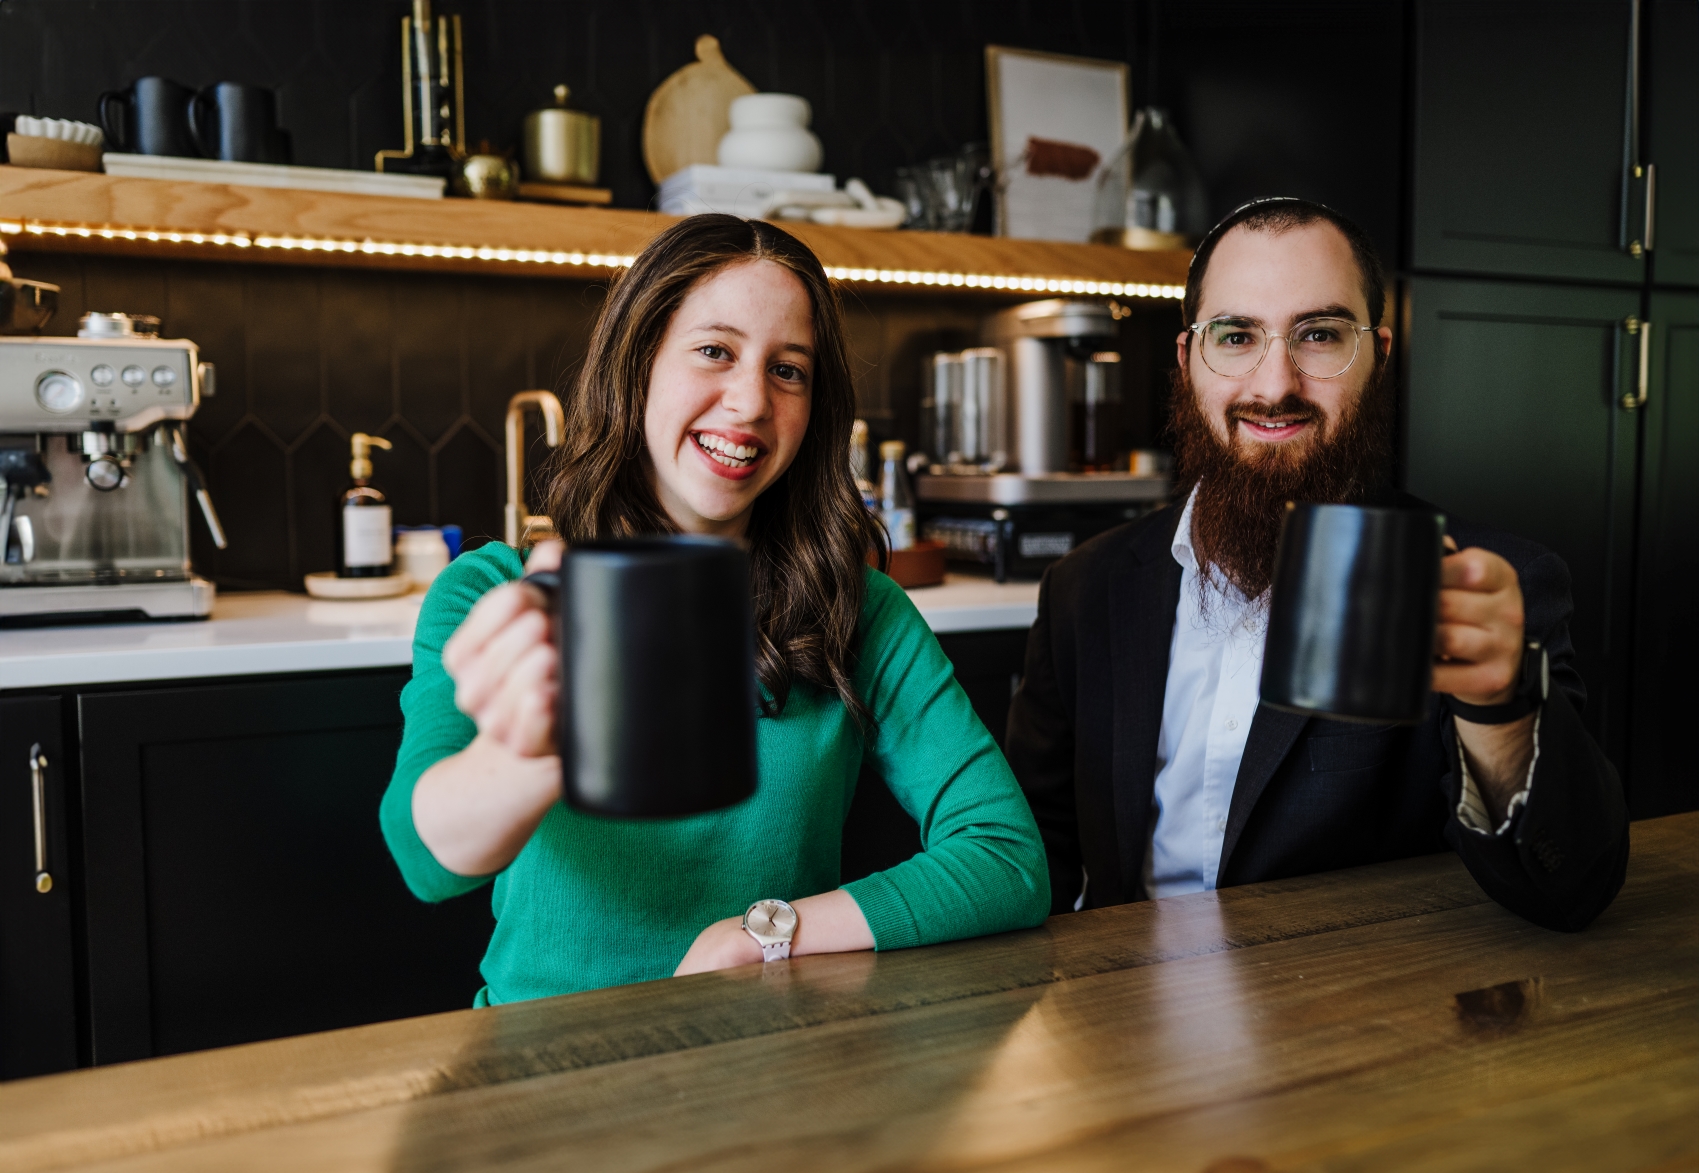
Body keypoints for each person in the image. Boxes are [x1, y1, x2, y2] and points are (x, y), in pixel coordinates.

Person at [380, 214, 1049, 1005]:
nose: (750, 401)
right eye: (714, 351)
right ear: (639, 362)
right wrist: (542, 748)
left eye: (788, 370)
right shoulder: (496, 590)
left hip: (761, 1053)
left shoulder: (858, 608)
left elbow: (1006, 856)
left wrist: (764, 933)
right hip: (544, 1059)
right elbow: (426, 860)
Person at [1006, 198, 1627, 931]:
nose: (1274, 385)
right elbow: (1029, 857)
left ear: (1379, 356)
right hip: (1123, 991)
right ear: (1186, 361)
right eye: (1235, 336)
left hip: (1347, 999)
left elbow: (1569, 888)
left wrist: (1499, 706)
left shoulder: (1480, 588)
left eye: (1320, 335)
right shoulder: (1084, 587)